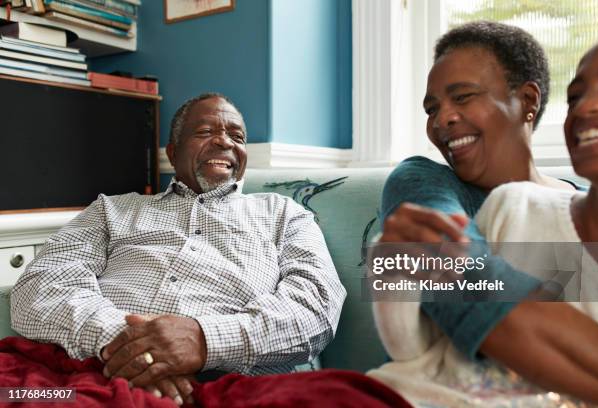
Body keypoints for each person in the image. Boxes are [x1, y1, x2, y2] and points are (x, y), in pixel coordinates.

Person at [10, 93, 346, 405]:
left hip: (227, 384)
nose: (225, 141)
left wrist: (204, 341)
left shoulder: (284, 213)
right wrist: (138, 349)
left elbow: (316, 304)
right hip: (89, 372)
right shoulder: (110, 210)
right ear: (172, 152)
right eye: (205, 131)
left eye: (237, 136)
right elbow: (40, 285)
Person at [368, 21, 598, 406]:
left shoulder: (587, 207)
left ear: (528, 101)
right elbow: (472, 290)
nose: (441, 119)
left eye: (462, 97)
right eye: (432, 109)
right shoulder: (423, 181)